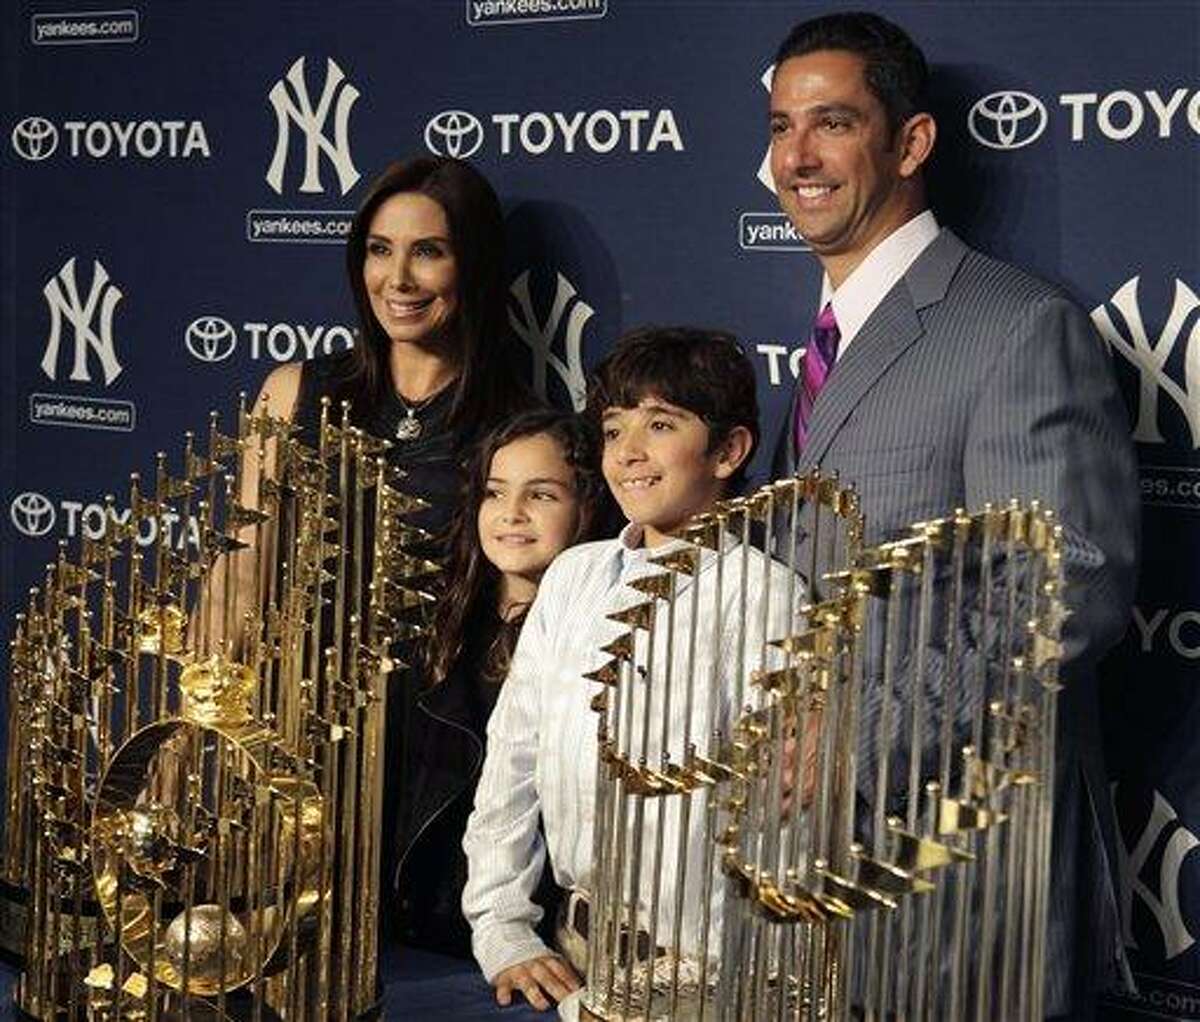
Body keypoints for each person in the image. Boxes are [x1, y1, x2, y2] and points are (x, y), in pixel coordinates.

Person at [765, 12, 1139, 1018]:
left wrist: (854, 731)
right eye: (779, 127)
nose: (795, 156)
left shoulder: (1017, 328)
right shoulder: (822, 341)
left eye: (831, 123)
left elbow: (1066, 590)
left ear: (912, 142)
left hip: (960, 879)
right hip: (807, 871)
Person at [463, 327, 801, 1012]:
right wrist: (503, 930)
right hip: (573, 951)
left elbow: (779, 821)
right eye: (615, 430)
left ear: (729, 450)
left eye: (661, 425)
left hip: (707, 975)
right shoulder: (573, 577)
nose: (630, 454)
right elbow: (512, 766)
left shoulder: (768, 595)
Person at [392, 408, 610, 958]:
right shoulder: (438, 623)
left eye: (541, 495)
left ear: (587, 506)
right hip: (416, 926)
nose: (511, 514)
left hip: (532, 939)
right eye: (495, 492)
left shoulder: (599, 636)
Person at [254, 155, 529, 541]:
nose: (398, 279)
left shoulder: (520, 432)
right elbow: (239, 576)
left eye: (427, 252)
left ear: (474, 267)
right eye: (380, 250)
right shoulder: (290, 393)